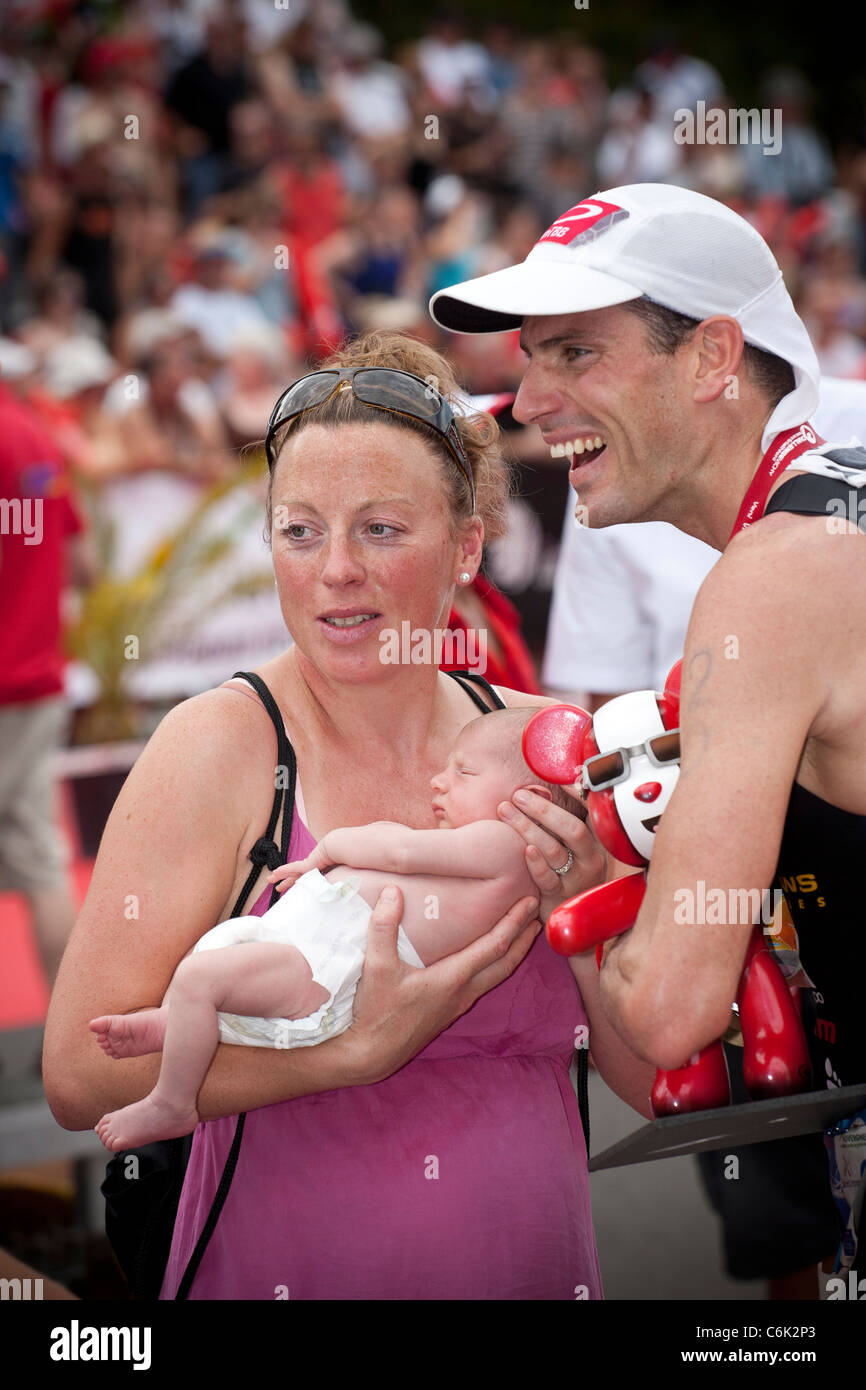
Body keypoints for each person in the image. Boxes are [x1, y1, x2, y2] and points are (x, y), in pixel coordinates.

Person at [44, 331, 654, 1301]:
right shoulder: (219, 746)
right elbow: (78, 1074)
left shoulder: (549, 749)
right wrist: (346, 1053)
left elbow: (640, 1075)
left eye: (378, 528)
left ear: (464, 546)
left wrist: (584, 917)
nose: (334, 569)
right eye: (299, 530)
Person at [430, 183, 866, 1282]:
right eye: (530, 358)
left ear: (713, 356)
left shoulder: (769, 582)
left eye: (575, 354)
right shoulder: (825, 511)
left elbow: (669, 1014)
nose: (528, 399)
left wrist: (575, 881)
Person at [90, 708, 576, 1151]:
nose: (439, 782)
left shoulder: (508, 844)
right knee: (211, 966)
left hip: (325, 965)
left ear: (530, 801)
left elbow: (401, 849)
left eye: (463, 772)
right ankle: (175, 1025)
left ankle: (172, 1102)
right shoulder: (503, 858)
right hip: (315, 949)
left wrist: (329, 849)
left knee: (203, 977)